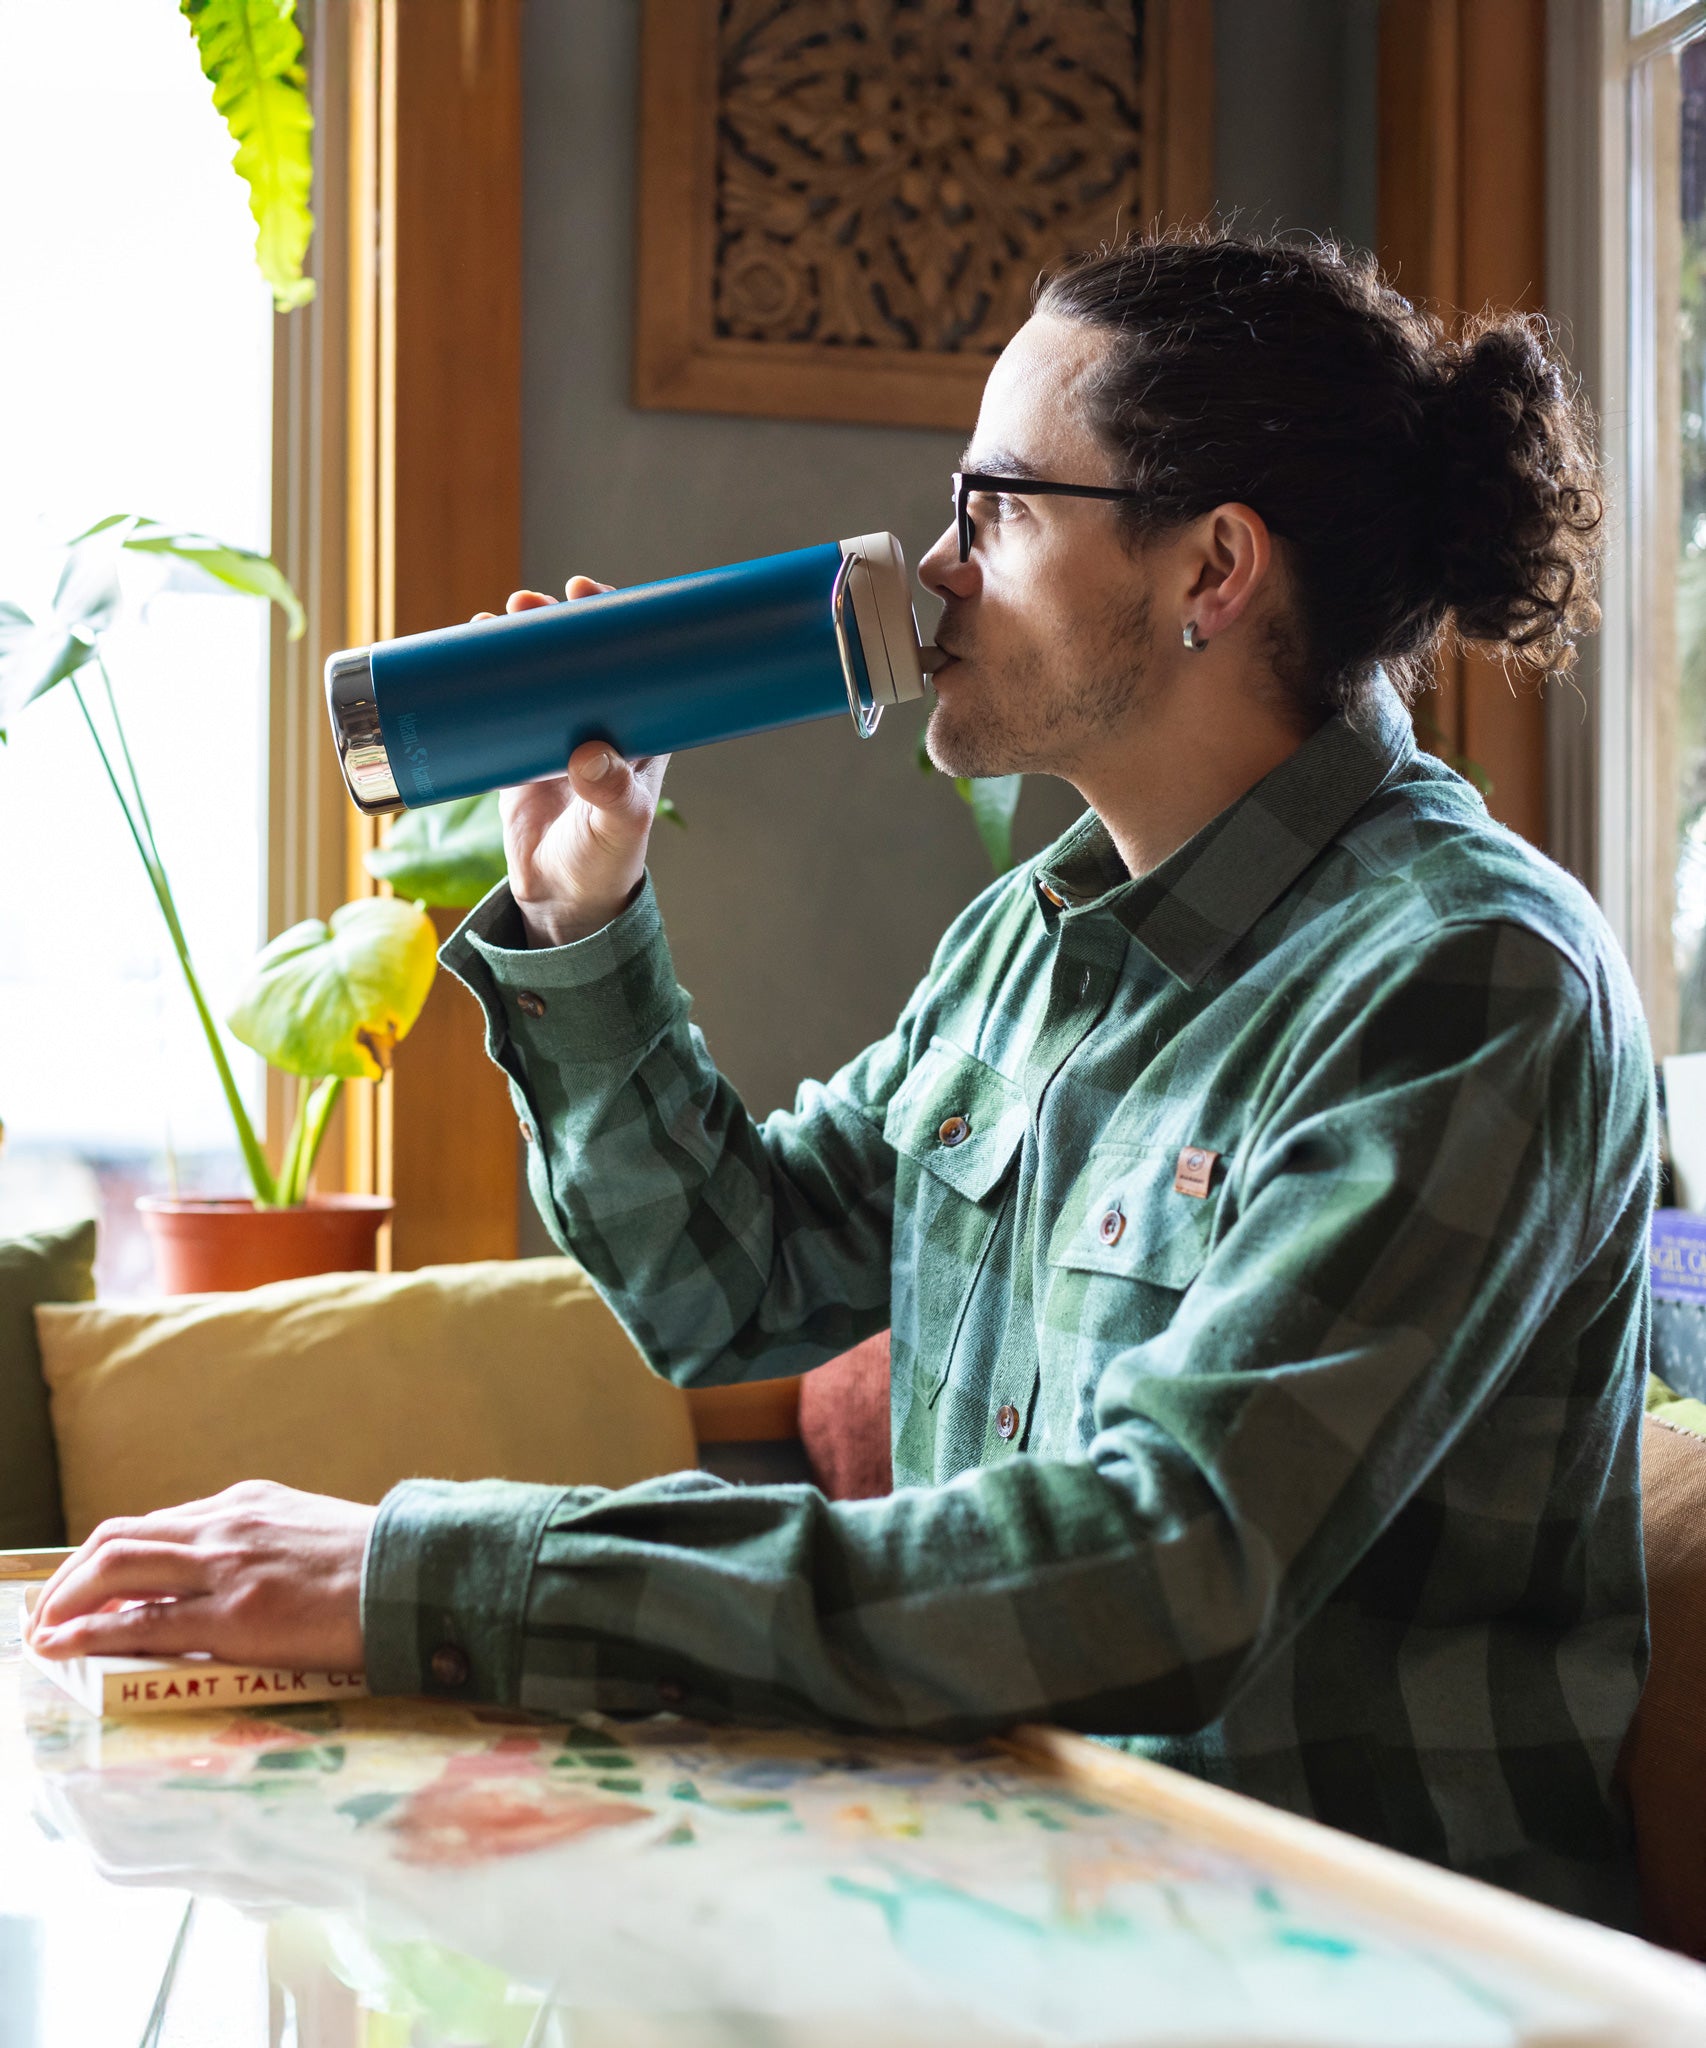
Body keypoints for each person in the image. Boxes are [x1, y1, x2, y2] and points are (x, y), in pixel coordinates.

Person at [26, 232, 1653, 1928]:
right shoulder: (1030, 945)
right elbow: (722, 1290)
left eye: (995, 508)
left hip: (1327, 1955)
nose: (934, 566)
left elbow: (1159, 1566)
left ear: (1212, 567)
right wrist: (583, 911)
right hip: (999, 1887)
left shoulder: (1463, 982)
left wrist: (418, 1574)